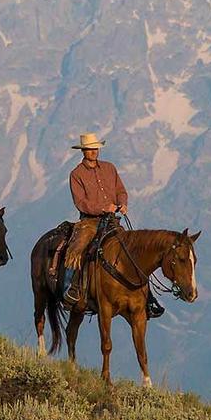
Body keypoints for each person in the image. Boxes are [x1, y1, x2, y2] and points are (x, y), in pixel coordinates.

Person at [63, 133, 164, 318]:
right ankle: (71, 288)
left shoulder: (110, 168)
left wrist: (122, 203)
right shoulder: (76, 174)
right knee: (77, 248)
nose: (94, 152)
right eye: (90, 149)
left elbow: (120, 190)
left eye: (96, 148)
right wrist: (103, 208)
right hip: (89, 222)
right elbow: (81, 202)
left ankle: (148, 297)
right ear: (83, 151)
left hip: (112, 221)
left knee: (133, 251)